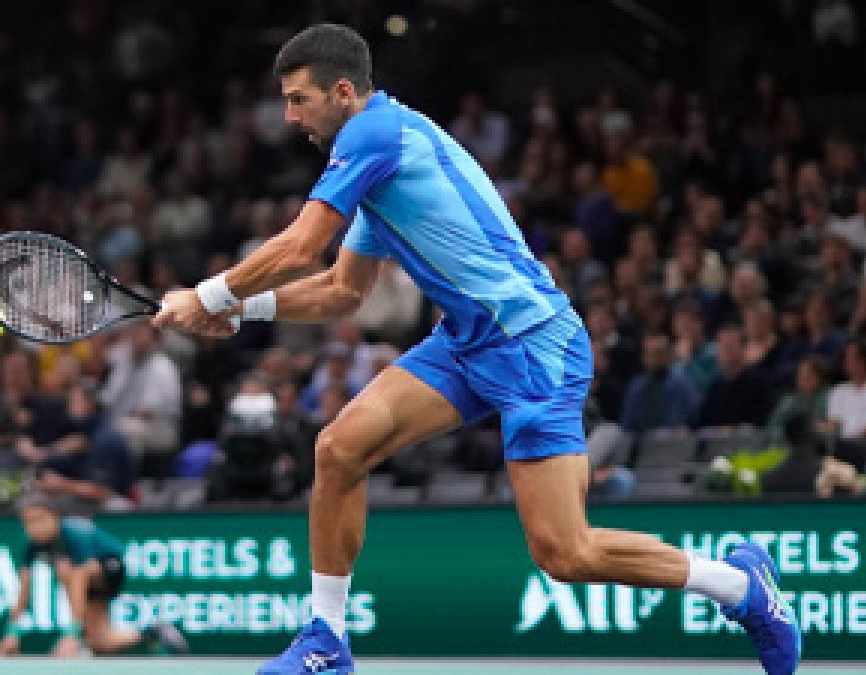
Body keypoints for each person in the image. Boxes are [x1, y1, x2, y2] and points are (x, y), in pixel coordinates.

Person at [152, 24, 800, 675]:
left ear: (343, 91)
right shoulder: (376, 167)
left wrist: (207, 294)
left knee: (565, 553)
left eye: (300, 99)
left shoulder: (374, 135)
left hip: (534, 346)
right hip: (466, 343)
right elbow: (342, 290)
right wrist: (242, 308)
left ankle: (739, 587)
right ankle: (326, 639)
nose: (291, 117)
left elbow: (300, 247)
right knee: (339, 448)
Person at [0, 495, 186, 658]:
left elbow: (81, 576)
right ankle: (153, 633)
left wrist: (72, 635)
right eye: (28, 522)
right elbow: (24, 588)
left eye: (40, 519)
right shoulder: (30, 544)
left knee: (69, 571)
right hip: (87, 584)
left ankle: (76, 636)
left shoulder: (75, 532)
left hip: (109, 569)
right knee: (101, 643)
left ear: (56, 517)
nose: (35, 527)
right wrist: (11, 633)